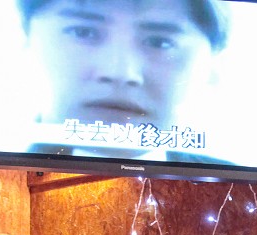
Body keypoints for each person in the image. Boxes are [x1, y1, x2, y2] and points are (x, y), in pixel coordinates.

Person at [17, 0, 233, 165]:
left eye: (160, 42)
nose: (120, 72)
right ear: (26, 37)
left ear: (215, 63)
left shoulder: (243, 194)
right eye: (83, 32)